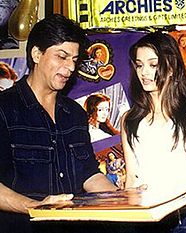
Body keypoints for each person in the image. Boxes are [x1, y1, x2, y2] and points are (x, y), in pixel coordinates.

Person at [0, 14, 117, 233]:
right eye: (61, 57)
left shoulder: (74, 113)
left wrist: (125, 200)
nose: (70, 68)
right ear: (36, 54)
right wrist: (34, 207)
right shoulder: (4, 109)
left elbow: (89, 175)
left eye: (74, 60)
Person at [121, 31, 186, 233]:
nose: (144, 72)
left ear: (171, 67)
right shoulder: (130, 120)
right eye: (139, 65)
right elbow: (131, 177)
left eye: (153, 65)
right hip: (147, 219)